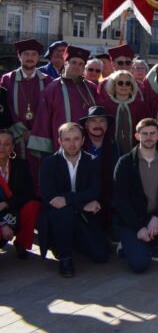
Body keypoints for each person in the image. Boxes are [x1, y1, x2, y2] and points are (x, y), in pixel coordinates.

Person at [113, 118, 158, 273]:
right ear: (137, 136)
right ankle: (126, 244)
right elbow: (120, 200)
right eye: (144, 134)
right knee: (140, 266)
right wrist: (138, 227)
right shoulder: (125, 163)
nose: (148, 137)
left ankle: (152, 243)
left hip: (154, 217)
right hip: (132, 221)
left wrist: (157, 217)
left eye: (152, 133)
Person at [39, 123, 109, 277]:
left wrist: (69, 200)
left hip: (83, 216)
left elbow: (94, 191)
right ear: (60, 141)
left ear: (83, 140)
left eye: (76, 139)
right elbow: (50, 196)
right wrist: (82, 204)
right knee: (64, 211)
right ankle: (65, 257)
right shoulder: (49, 163)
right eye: (67, 139)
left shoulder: (92, 161)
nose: (72, 144)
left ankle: (73, 242)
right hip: (58, 216)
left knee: (101, 256)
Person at [28, 45, 98, 156]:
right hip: (60, 148)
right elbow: (43, 120)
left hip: (88, 148)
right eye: (73, 62)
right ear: (65, 63)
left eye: (81, 64)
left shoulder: (91, 88)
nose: (77, 66)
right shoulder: (52, 89)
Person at [0, 39, 52, 185]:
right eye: (26, 54)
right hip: (15, 137)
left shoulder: (48, 82)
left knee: (39, 173)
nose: (30, 57)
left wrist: (34, 131)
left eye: (34, 54)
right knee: (15, 175)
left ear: (38, 57)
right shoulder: (6, 80)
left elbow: (49, 110)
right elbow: (5, 107)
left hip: (40, 137)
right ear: (19, 56)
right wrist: (21, 131)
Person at [0, 129, 41, 259]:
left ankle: (21, 243)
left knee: (34, 205)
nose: (2, 147)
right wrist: (2, 224)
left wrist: (7, 203)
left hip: (13, 211)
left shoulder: (21, 165)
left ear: (12, 147)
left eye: (7, 144)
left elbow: (29, 194)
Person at [80, 106, 119, 233]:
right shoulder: (77, 148)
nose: (98, 125)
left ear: (107, 126)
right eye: (93, 121)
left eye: (102, 121)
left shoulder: (115, 148)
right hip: (83, 202)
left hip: (109, 202)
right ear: (86, 125)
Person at [98, 70, 149, 155]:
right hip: (108, 153)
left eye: (128, 83)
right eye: (120, 83)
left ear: (131, 87)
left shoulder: (141, 106)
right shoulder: (104, 106)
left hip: (136, 153)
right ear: (114, 85)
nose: (124, 86)